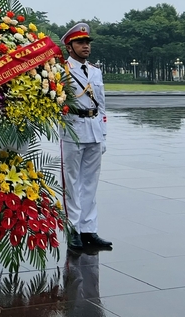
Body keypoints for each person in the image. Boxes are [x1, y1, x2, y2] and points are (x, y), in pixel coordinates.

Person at [60, 22, 111, 251]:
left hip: (94, 130)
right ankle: (73, 231)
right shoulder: (61, 71)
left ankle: (89, 229)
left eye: (87, 43)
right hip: (72, 129)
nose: (85, 47)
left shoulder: (95, 71)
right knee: (71, 183)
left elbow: (101, 104)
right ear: (69, 47)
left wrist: (104, 133)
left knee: (90, 182)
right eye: (80, 43)